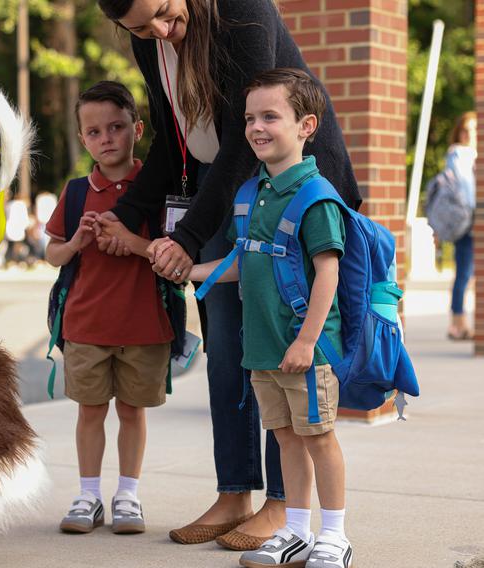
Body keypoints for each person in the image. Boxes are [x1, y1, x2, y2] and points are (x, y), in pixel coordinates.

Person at [91, 0, 362, 550]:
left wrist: (188, 235)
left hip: (287, 183)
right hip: (221, 187)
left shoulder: (242, 9)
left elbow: (247, 135)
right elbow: (173, 139)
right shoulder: (152, 41)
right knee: (229, 340)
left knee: (281, 337)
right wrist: (126, 213)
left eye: (164, 14)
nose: (160, 32)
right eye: (141, 29)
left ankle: (285, 505)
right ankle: (235, 490)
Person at [189, 68, 352, 568]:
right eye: (249, 118)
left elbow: (328, 273)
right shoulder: (254, 191)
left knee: (318, 438)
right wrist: (189, 269)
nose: (256, 127)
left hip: (306, 347)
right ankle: (296, 531)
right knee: (284, 438)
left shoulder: (315, 196)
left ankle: (335, 536)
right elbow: (248, 257)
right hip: (263, 345)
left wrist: (306, 340)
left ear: (306, 125)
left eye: (270, 117)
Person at [45, 81, 173, 535]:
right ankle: (87, 495)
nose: (107, 139)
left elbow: (173, 254)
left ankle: (128, 495)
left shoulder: (155, 188)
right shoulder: (77, 190)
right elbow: (53, 254)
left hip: (144, 324)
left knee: (132, 412)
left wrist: (132, 244)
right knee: (90, 411)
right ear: (83, 139)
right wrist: (78, 242)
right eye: (95, 132)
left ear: (136, 129)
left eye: (117, 127)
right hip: (85, 323)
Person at [444, 112, 476, 341]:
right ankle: (457, 323)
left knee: (468, 274)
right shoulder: (458, 152)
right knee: (464, 273)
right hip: (467, 220)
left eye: (473, 129)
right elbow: (464, 187)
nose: (469, 134)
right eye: (465, 129)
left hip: (472, 218)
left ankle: (461, 321)